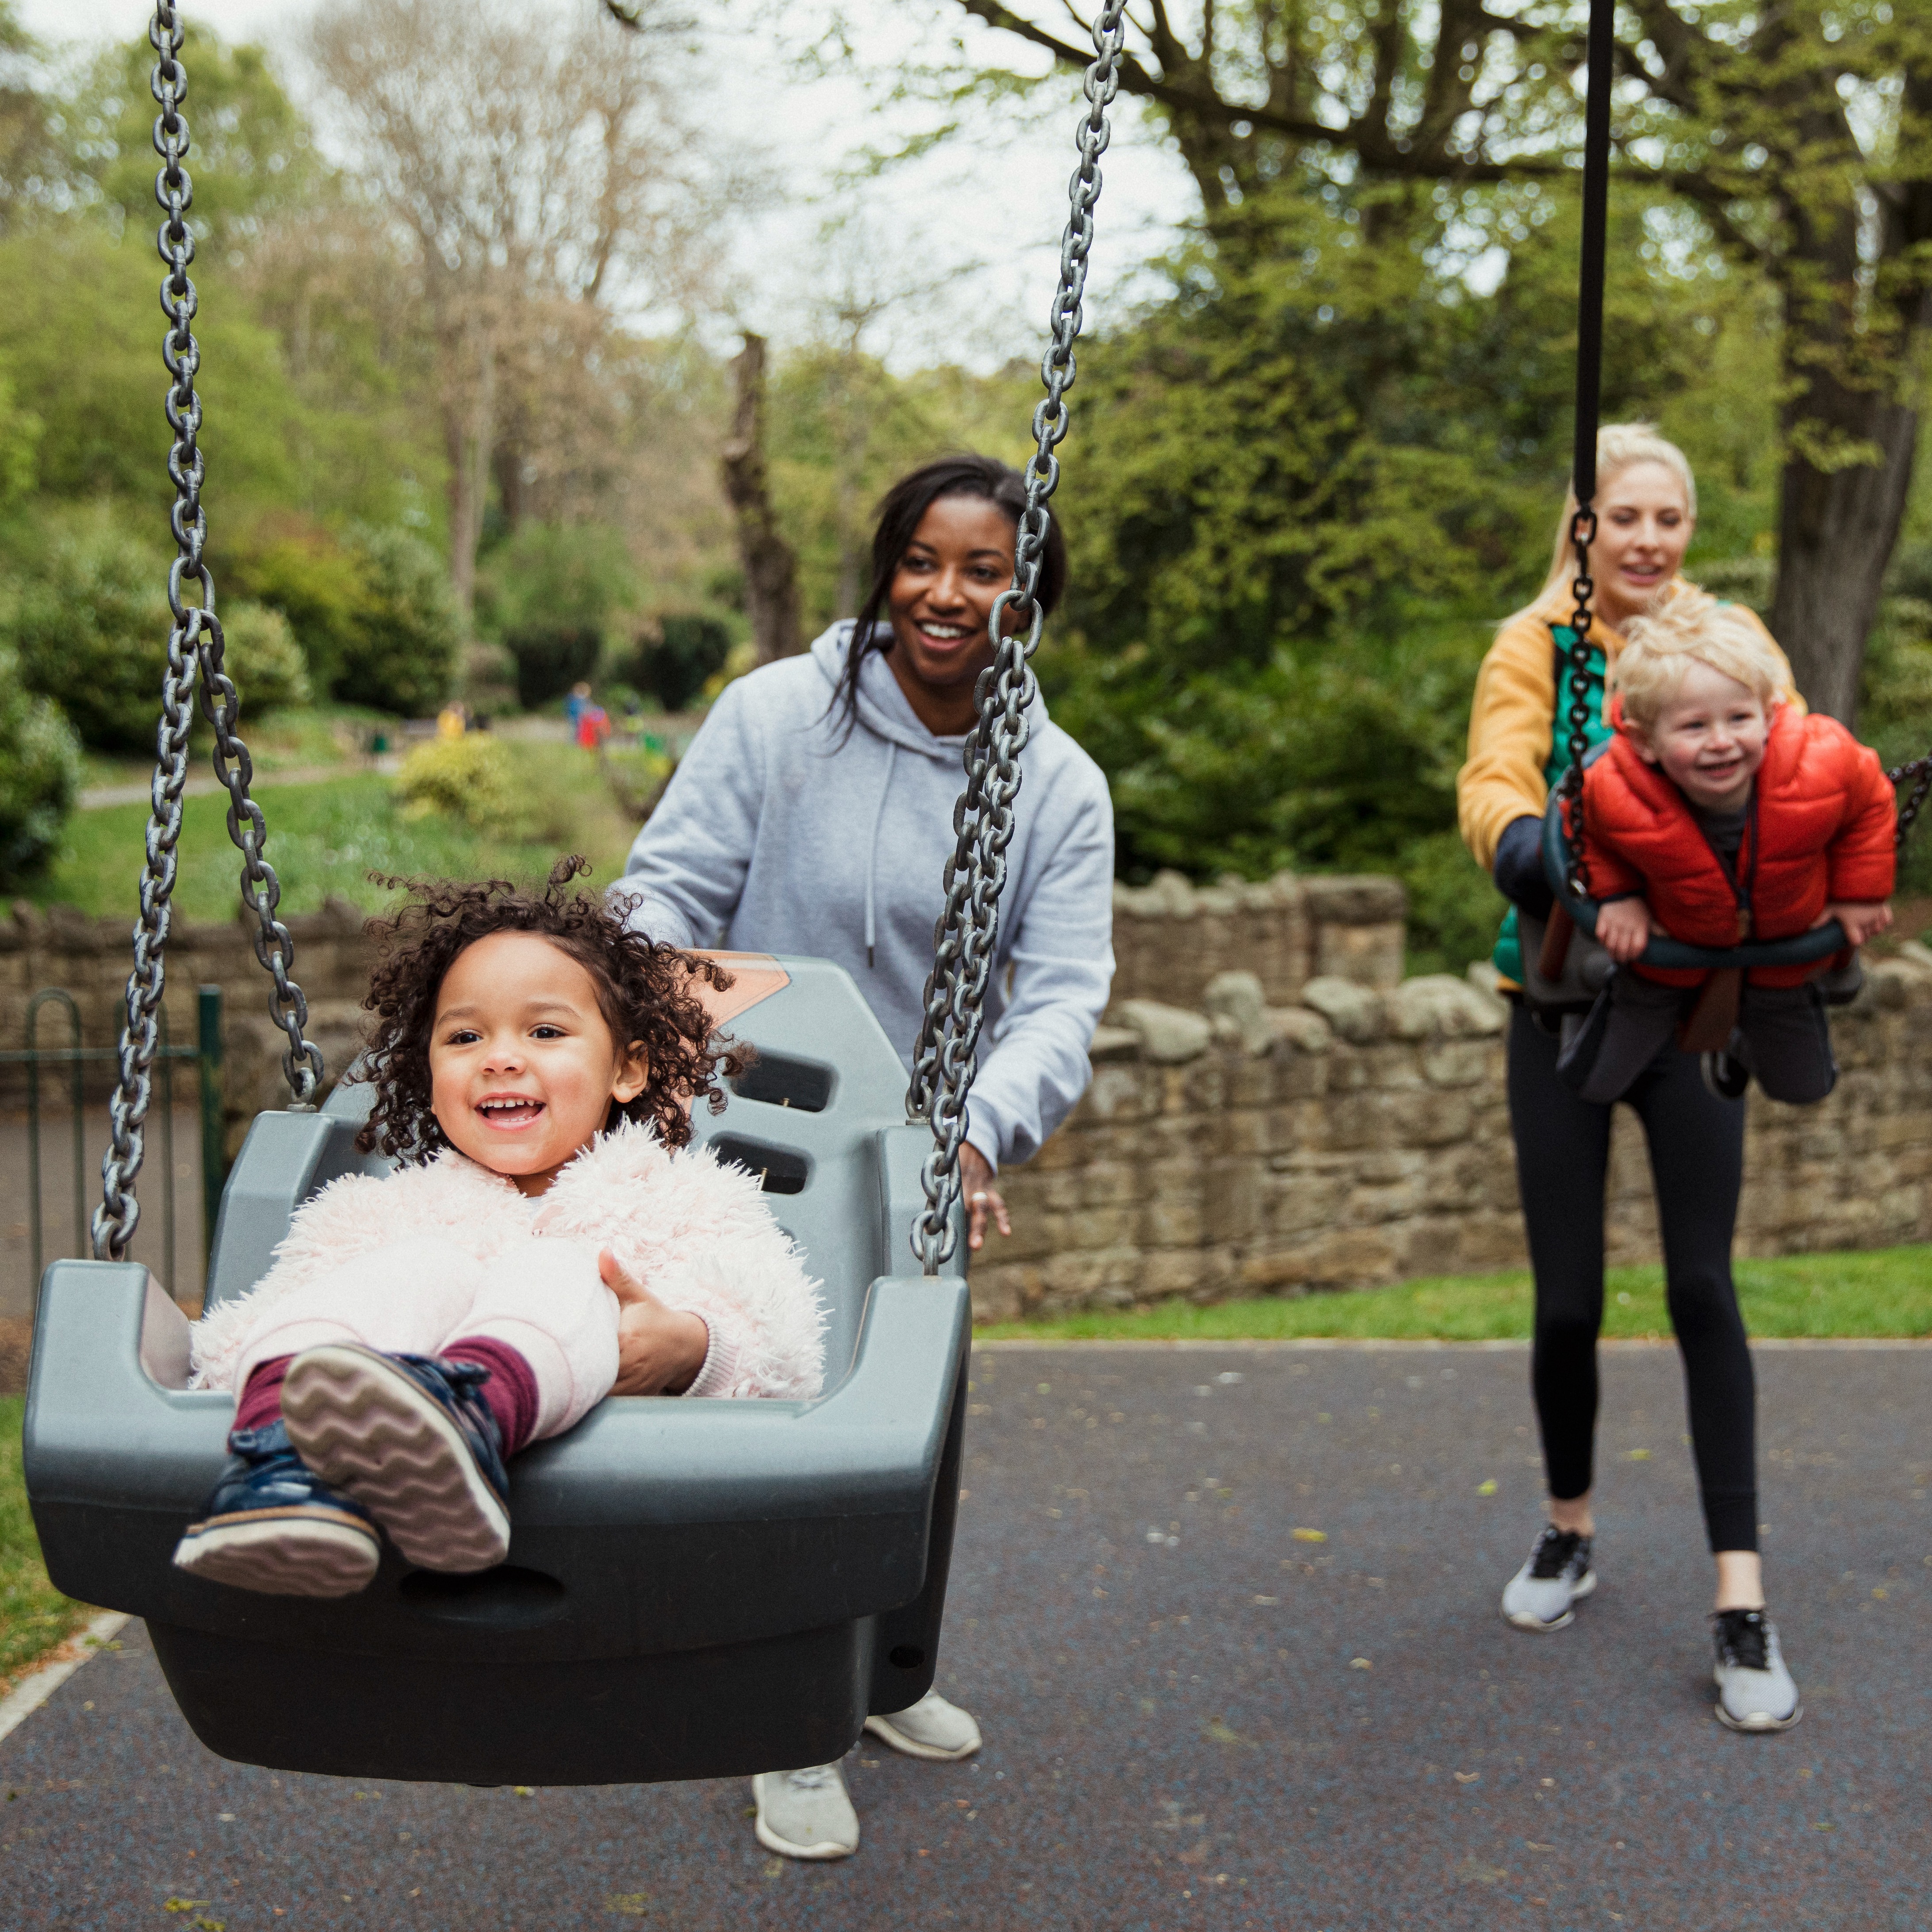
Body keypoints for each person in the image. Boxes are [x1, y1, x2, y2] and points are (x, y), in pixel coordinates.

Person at [619, 452, 1115, 1857]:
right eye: (922, 561)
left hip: (918, 1146)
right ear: (885, 569)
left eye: (984, 570)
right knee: (789, 1412)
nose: (946, 595)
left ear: (1029, 598)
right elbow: (668, 882)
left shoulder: (1056, 787)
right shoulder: (777, 715)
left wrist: (979, 1123)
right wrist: (665, 1013)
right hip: (746, 1115)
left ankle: (890, 1671)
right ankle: (788, 1723)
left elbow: (1064, 991)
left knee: (916, 1418)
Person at [173, 859, 826, 1599]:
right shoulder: (382, 1212)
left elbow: (784, 1343)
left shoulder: (687, 1200)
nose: (501, 1057)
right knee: (419, 1269)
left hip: (638, 1537)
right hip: (384, 1552)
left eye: (545, 1030)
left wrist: (692, 1347)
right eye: (464, 1038)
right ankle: (277, 1466)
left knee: (559, 1270)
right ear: (426, 1069)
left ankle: (465, 1420)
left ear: (627, 1068)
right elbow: (250, 1329)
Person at [1457, 424, 1805, 1732]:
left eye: (1669, 517)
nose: (1649, 538)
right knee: (1565, 1300)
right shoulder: (1535, 647)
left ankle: (1739, 1597)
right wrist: (1537, 848)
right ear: (1583, 525)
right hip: (1554, 1000)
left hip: (1695, 1002)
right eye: (1625, 517)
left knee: (1703, 1285)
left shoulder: (1735, 642)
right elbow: (1491, 777)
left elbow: (1792, 754)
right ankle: (1567, 1529)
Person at [1561, 590, 1895, 1106]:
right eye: (1694, 727)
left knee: (1804, 1089)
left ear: (1768, 714)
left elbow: (1872, 803)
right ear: (1645, 740)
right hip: (1669, 951)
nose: (1721, 742)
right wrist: (1617, 896)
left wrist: (1861, 891)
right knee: (1594, 1083)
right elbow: (1580, 832)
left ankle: (1737, 1045)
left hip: (1779, 954)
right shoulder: (1613, 787)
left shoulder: (1824, 763)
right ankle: (1608, 997)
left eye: (1739, 719)